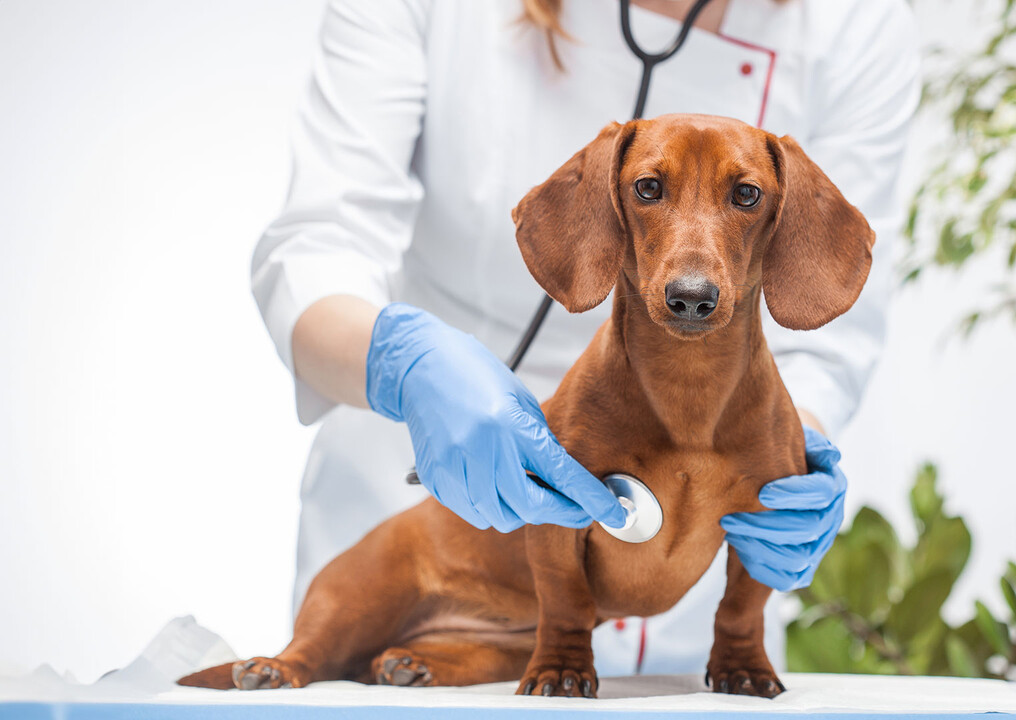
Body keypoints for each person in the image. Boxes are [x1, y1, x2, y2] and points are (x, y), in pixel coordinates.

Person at [252, 0, 919, 678]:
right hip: (426, 473)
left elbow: (824, 309)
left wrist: (781, 452)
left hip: (676, 609)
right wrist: (403, 364)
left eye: (744, 196)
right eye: (651, 189)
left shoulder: (854, 20)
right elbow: (319, 242)